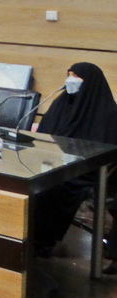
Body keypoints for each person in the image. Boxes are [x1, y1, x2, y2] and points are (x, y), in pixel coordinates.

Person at [32, 63, 117, 258]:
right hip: (50, 164)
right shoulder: (61, 104)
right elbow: (43, 136)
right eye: (69, 74)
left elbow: (106, 152)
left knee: (50, 191)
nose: (70, 80)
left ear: (90, 82)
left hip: (83, 172)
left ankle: (41, 242)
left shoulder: (108, 113)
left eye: (76, 77)